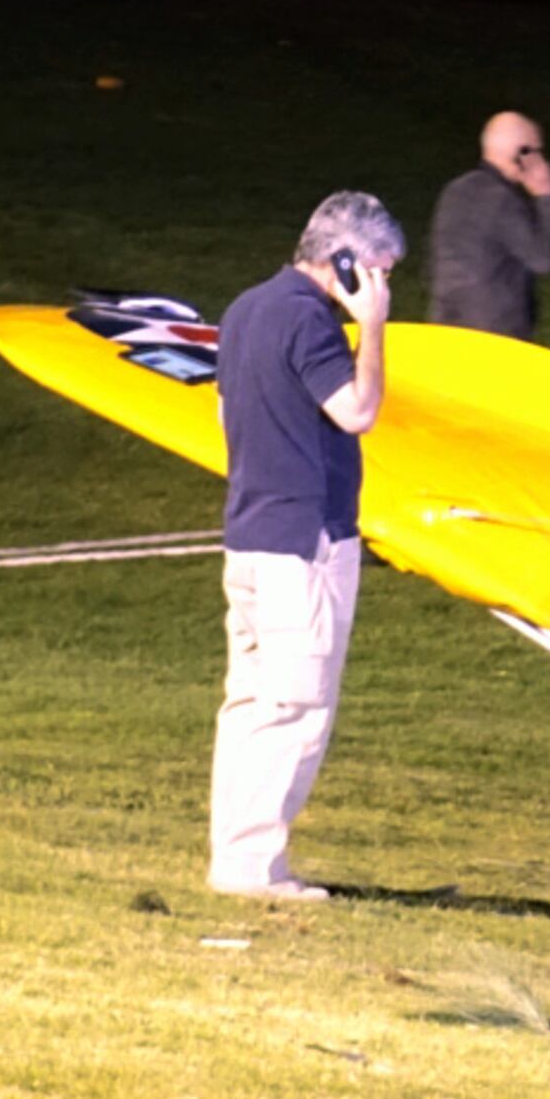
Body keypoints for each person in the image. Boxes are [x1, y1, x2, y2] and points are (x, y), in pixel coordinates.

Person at [209, 191, 401, 899]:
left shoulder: (246, 308)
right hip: (303, 544)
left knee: (250, 703)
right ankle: (252, 869)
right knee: (295, 708)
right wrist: (372, 329)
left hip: (250, 534)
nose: (385, 286)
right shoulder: (310, 321)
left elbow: (225, 411)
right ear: (345, 263)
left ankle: (237, 857)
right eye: (380, 271)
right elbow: (358, 410)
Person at [427, 110, 550, 338]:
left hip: (445, 324)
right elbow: (545, 259)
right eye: (537, 150)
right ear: (522, 154)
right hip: (493, 337)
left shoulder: (455, 190)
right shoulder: (502, 201)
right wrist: (546, 197)